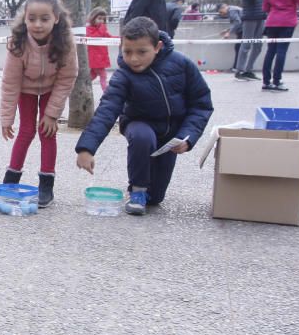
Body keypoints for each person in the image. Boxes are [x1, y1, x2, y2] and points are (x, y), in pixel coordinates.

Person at [75, 17, 214, 216]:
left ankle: (149, 193)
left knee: (156, 198)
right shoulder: (124, 75)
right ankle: (137, 191)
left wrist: (188, 137)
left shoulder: (182, 64)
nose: (133, 59)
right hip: (139, 124)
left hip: (171, 135)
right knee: (142, 136)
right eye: (127, 52)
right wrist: (86, 148)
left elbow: (201, 103)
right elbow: (107, 110)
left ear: (157, 47)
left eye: (141, 52)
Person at [0, 0, 79, 208]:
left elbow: (67, 78)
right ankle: (12, 178)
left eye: (44, 19)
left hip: (51, 90)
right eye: (32, 18)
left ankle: (46, 183)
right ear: (25, 18)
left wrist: (52, 114)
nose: (38, 24)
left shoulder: (65, 43)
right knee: (26, 131)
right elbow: (10, 83)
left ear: (56, 18)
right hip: (25, 89)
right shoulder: (17, 43)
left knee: (47, 132)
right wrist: (7, 118)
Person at [235, 0, 268, 80]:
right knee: (246, 44)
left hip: (261, 17)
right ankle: (239, 70)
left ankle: (249, 70)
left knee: (258, 46)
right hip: (249, 17)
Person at [85, 7, 114, 92]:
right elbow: (94, 37)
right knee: (103, 75)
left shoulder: (101, 29)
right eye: (99, 18)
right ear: (93, 18)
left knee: (92, 75)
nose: (101, 21)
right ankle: (107, 93)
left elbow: (109, 37)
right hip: (96, 58)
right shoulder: (89, 28)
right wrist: (102, 28)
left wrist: (120, 39)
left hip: (101, 57)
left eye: (103, 19)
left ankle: (82, 86)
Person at [217, 3, 242, 72]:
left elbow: (238, 22)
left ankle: (237, 68)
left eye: (221, 12)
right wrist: (227, 30)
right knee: (239, 48)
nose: (221, 14)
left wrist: (229, 33)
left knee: (239, 48)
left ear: (224, 8)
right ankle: (236, 67)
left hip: (243, 30)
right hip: (243, 30)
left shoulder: (231, 11)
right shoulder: (232, 9)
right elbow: (236, 23)